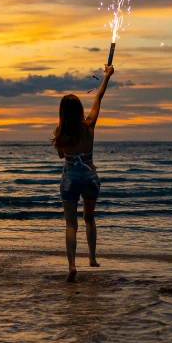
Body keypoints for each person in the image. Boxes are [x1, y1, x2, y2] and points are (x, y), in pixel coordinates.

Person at [51, 64, 114, 282]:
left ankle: (71, 265)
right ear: (79, 110)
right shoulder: (89, 125)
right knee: (89, 218)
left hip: (70, 177)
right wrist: (107, 76)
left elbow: (62, 156)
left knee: (71, 224)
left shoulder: (60, 131)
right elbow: (99, 97)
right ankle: (92, 258)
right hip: (90, 176)